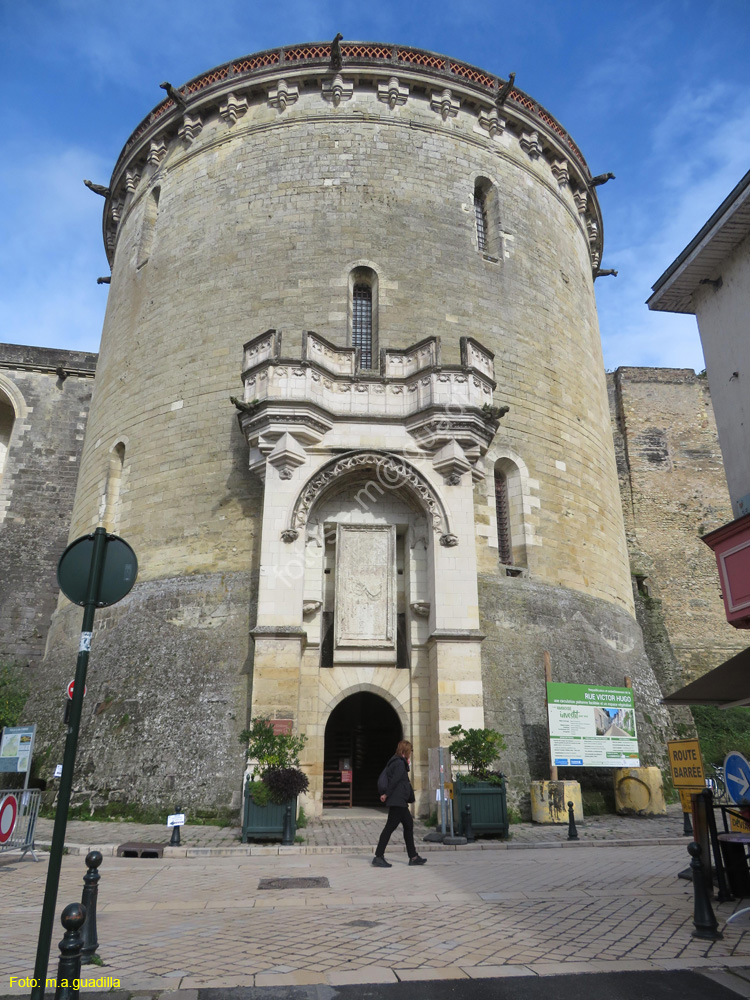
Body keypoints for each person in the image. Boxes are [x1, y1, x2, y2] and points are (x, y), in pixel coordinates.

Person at [372, 739, 427, 867]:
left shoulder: (397, 762)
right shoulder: (399, 764)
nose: (411, 754)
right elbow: (394, 781)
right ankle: (378, 856)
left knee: (408, 825)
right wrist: (386, 794)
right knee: (390, 828)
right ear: (405, 751)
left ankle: (413, 857)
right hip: (397, 801)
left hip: (399, 800)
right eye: (410, 751)